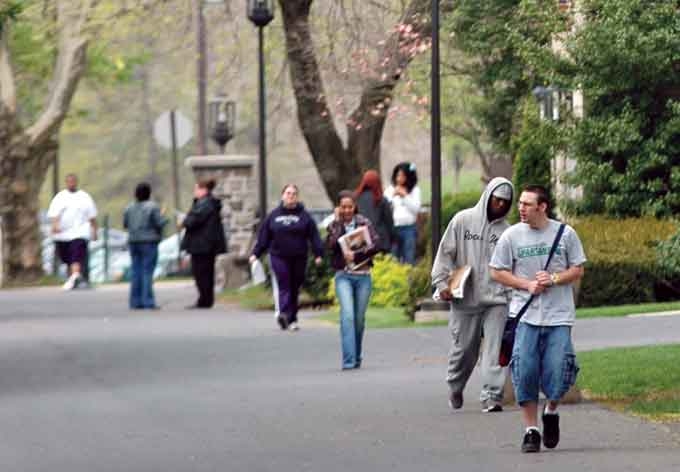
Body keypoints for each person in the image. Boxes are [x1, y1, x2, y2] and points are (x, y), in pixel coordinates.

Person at [490, 185, 586, 453]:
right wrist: (525, 284)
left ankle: (551, 410)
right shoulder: (511, 236)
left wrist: (554, 278)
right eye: (519, 203)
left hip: (558, 316)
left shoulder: (565, 234)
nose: (520, 208)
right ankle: (530, 430)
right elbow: (497, 272)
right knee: (525, 371)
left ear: (542, 207)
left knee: (558, 370)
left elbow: (577, 269)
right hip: (525, 316)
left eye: (527, 204)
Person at [431, 177, 514, 413]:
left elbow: (512, 266)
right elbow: (445, 254)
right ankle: (456, 386)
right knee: (464, 351)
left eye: (505, 202)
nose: (499, 205)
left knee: (494, 349)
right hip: (464, 299)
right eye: (496, 200)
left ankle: (492, 395)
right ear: (488, 196)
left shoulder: (507, 232)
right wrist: (441, 283)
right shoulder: (462, 221)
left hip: (496, 300)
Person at [250, 184, 324, 331]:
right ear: (283, 196)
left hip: (299, 256)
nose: (291, 196)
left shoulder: (304, 216)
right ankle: (284, 314)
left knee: (294, 287)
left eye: (294, 193)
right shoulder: (274, 215)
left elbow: (314, 236)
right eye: (288, 193)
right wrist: (256, 254)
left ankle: (293, 319)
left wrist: (318, 253)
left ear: (297, 197)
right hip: (278, 256)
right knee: (284, 284)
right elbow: (264, 237)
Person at [326, 190, 379, 370]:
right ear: (339, 208)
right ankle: (348, 360)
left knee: (359, 319)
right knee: (347, 316)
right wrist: (337, 222)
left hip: (363, 276)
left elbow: (376, 245)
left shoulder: (364, 223)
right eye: (343, 207)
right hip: (343, 276)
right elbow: (331, 245)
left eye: (350, 206)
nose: (347, 210)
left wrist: (355, 255)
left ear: (355, 206)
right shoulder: (334, 225)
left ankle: (356, 356)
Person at [179, 179, 227, 309]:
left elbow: (193, 221)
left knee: (201, 273)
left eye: (196, 189)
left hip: (201, 244)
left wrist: (184, 220)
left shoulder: (204, 204)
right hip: (206, 243)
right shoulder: (207, 203)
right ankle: (206, 299)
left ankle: (204, 300)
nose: (194, 192)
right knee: (206, 273)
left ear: (204, 190)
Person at [47, 173, 98, 290]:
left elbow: (92, 216)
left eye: (73, 181)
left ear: (76, 182)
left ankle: (75, 276)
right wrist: (55, 226)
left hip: (80, 232)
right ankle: (75, 277)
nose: (71, 184)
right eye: (69, 182)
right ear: (66, 183)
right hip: (63, 234)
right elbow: (54, 214)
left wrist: (94, 231)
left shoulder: (84, 197)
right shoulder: (60, 197)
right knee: (66, 257)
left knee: (76, 255)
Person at [123, 182, 168, 310]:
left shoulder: (129, 208)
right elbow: (159, 223)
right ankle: (148, 301)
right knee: (147, 271)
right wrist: (163, 215)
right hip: (149, 241)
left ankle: (135, 301)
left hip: (133, 241)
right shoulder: (153, 207)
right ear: (149, 193)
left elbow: (125, 224)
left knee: (136, 271)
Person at [384, 162, 421, 264]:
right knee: (393, 258)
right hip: (394, 228)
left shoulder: (414, 190)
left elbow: (416, 208)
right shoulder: (390, 190)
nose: (399, 178)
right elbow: (386, 208)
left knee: (409, 257)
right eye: (398, 175)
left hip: (409, 228)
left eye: (402, 176)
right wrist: (393, 196)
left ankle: (409, 278)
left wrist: (404, 196)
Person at [354, 170, 394, 254]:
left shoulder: (356, 198)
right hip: (381, 240)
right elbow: (389, 222)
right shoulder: (381, 199)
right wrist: (393, 238)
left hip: (364, 240)